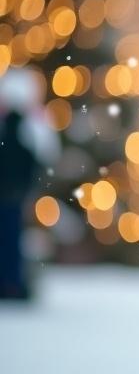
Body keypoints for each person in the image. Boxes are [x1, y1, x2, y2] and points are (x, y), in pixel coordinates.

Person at [0, 67, 59, 300]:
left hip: (13, 191)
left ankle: (11, 282)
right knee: (12, 238)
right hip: (15, 191)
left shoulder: (30, 123)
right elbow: (46, 154)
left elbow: (44, 152)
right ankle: (12, 282)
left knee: (12, 237)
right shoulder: (31, 123)